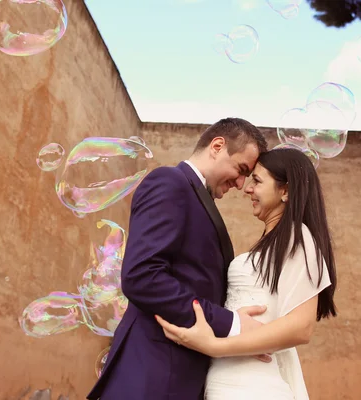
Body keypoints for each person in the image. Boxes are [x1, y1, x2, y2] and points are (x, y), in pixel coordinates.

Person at [86, 118, 269, 400]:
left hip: (174, 379)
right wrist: (230, 323)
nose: (242, 183)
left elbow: (194, 281)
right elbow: (142, 277)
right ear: (217, 146)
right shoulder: (170, 182)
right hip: (152, 377)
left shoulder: (195, 196)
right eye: (241, 169)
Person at [156, 148, 338, 399]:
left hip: (253, 387)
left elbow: (301, 327)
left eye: (257, 181)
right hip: (227, 383)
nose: (247, 189)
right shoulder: (273, 243)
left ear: (285, 191)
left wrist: (215, 346)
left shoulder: (298, 237)